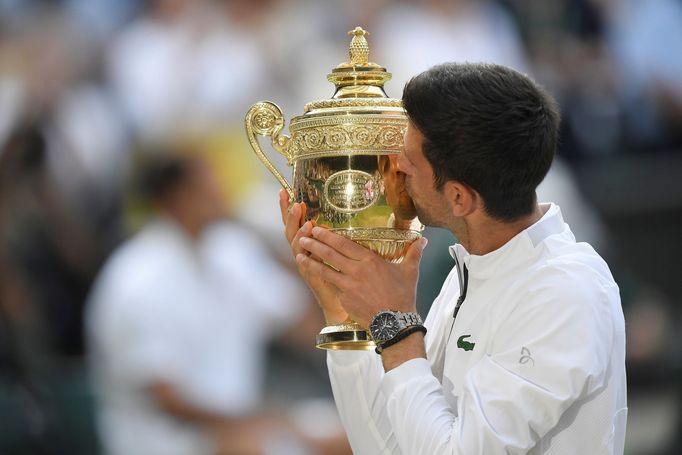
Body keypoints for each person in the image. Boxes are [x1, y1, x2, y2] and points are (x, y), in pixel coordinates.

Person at [280, 62, 627, 454]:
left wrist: (397, 328)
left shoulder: (565, 293)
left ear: (460, 198)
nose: (394, 166)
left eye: (409, 158)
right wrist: (349, 318)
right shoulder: (473, 267)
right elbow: (389, 449)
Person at [86, 152, 348, 454]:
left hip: (243, 423)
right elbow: (167, 399)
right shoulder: (135, 278)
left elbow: (305, 325)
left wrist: (303, 250)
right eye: (207, 184)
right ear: (178, 197)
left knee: (353, 431)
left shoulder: (231, 250)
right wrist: (255, 423)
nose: (219, 191)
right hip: (167, 440)